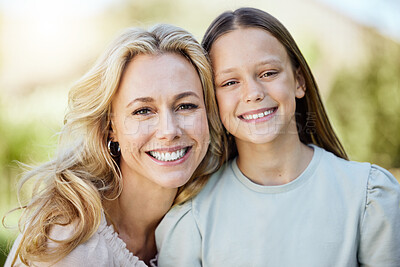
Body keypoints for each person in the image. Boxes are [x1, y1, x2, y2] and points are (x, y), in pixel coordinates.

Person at [156, 7, 400, 267]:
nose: (253, 93)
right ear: (213, 100)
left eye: (268, 73)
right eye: (230, 82)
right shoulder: (191, 218)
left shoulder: (368, 196)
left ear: (299, 81)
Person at [5, 24, 225, 266]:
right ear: (111, 128)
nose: (169, 131)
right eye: (143, 111)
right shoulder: (70, 248)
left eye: (186, 106)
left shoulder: (213, 208)